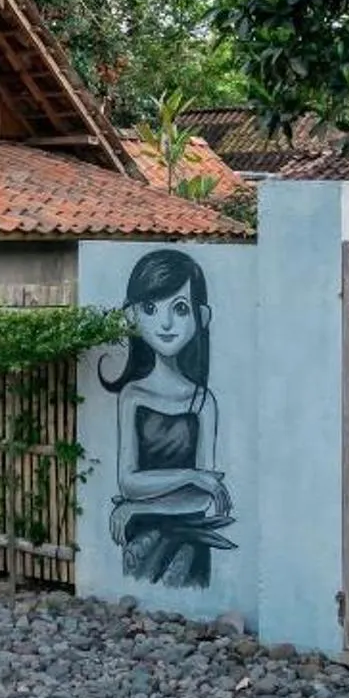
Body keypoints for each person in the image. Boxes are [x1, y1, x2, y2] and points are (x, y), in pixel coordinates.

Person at [102, 248, 234, 589]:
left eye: (180, 309)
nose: (165, 323)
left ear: (201, 316)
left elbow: (203, 498)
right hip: (140, 539)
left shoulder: (203, 402)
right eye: (151, 308)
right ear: (132, 315)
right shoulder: (133, 396)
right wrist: (191, 476)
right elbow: (128, 482)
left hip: (190, 540)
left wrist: (136, 507)